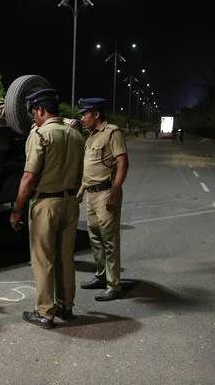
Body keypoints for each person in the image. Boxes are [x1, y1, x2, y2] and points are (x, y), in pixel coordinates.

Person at [10, 88, 84, 329]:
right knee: (65, 257)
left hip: (46, 204)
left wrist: (18, 209)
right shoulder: (75, 135)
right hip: (70, 202)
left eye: (34, 112)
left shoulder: (40, 136)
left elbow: (28, 178)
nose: (33, 117)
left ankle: (44, 311)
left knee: (43, 259)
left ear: (41, 110)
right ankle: (66, 306)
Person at [76, 98, 129, 302]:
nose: (82, 118)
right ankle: (101, 276)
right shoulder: (91, 137)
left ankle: (114, 285)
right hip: (91, 194)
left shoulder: (112, 133)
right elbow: (91, 167)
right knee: (95, 238)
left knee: (109, 240)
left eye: (85, 114)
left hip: (107, 192)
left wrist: (115, 191)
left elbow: (122, 163)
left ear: (96, 114)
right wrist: (82, 188)